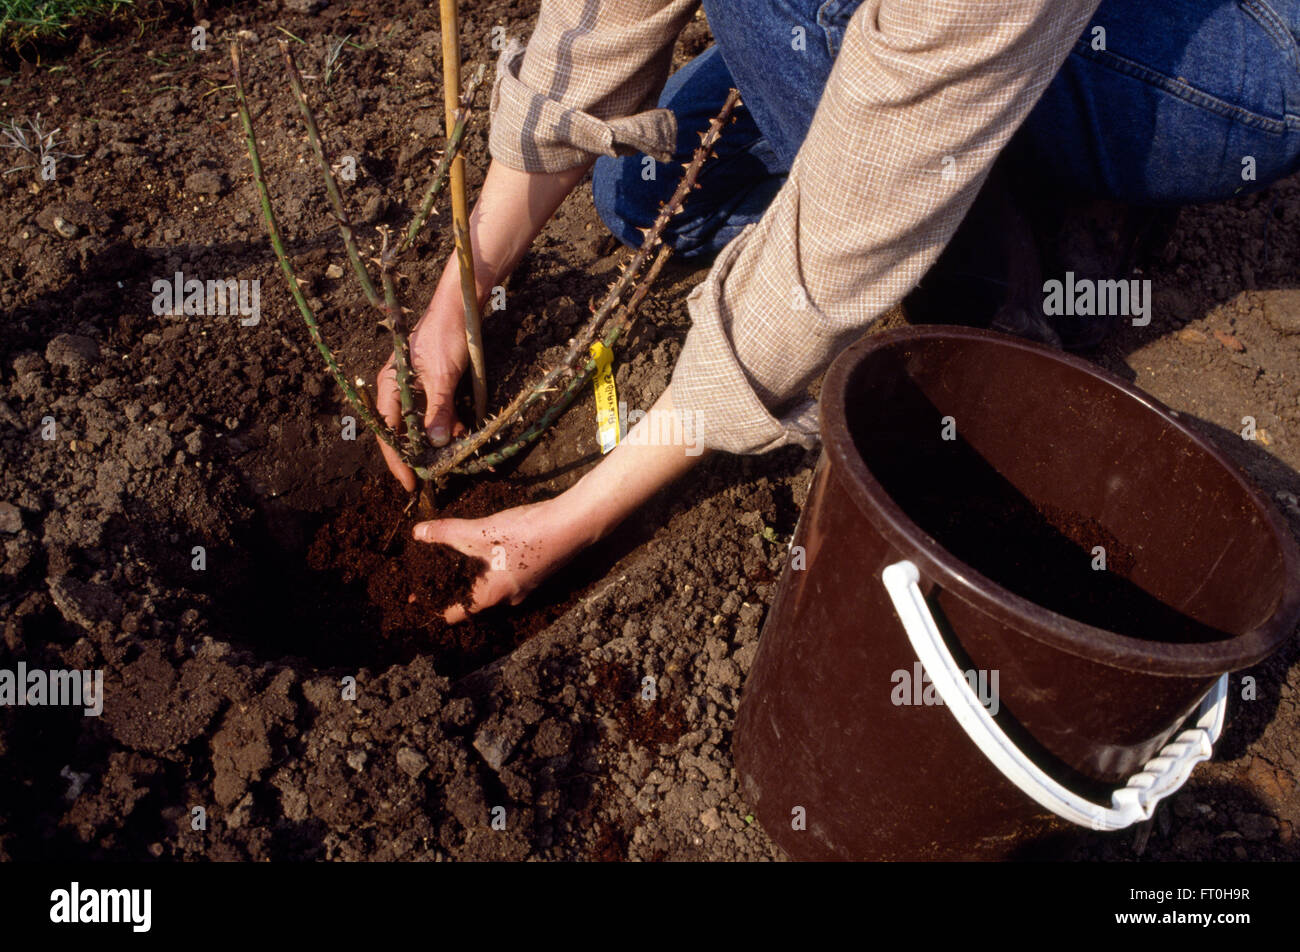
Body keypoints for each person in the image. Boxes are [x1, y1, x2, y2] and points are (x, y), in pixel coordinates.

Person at [377, 0, 1300, 621]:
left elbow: (860, 196)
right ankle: (990, 173)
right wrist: (458, 296)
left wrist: (579, 514)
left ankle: (995, 284)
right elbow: (602, 21)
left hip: (1240, 54)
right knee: (649, 191)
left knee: (792, 29)